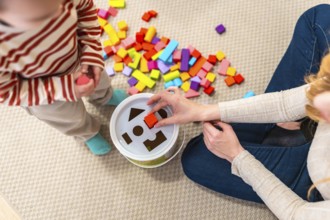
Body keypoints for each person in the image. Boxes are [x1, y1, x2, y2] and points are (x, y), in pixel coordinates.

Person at [147, 4, 330, 219]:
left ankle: (284, 136)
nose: (315, 101)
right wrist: (201, 111)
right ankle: (288, 130)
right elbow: (286, 103)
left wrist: (237, 156)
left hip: (314, 185)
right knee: (318, 18)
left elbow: (294, 211)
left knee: (197, 158)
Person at [0, 0, 128, 155]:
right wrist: (63, 88)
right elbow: (7, 91)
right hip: (43, 92)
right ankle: (87, 132)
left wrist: (90, 49)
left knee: (100, 81)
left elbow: (85, 9)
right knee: (69, 118)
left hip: (80, 59)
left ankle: (105, 97)